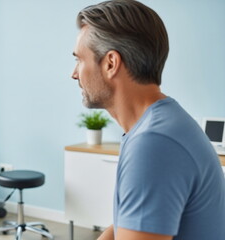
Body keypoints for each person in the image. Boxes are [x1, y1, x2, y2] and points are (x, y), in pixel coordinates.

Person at [71, 1, 225, 239]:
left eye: (79, 60)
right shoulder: (157, 125)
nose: (74, 74)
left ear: (111, 63)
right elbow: (125, 223)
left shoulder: (154, 143)